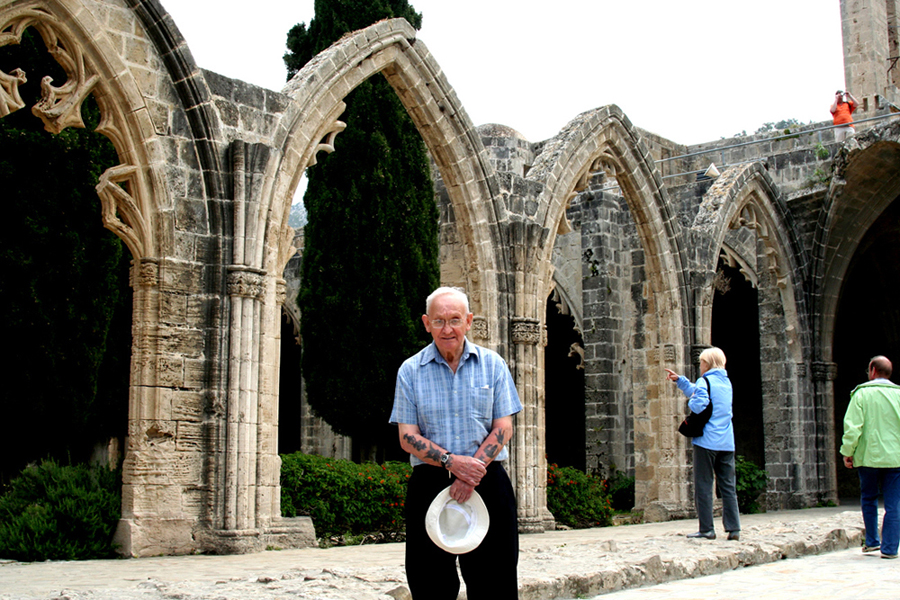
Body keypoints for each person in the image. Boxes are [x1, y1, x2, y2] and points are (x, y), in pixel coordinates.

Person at [390, 286, 522, 599]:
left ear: (469, 321)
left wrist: (471, 471)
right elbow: (407, 437)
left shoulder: (494, 365)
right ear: (426, 323)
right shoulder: (410, 371)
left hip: (487, 480)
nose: (447, 329)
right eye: (439, 321)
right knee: (430, 585)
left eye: (454, 319)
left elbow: (503, 428)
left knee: (496, 583)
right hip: (431, 482)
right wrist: (453, 463)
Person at [665, 347, 741, 541]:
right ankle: (734, 529)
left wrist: (691, 404)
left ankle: (707, 529)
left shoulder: (704, 380)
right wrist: (681, 381)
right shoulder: (726, 382)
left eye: (701, 362)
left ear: (707, 363)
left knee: (704, 485)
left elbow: (699, 404)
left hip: (707, 441)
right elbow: (704, 393)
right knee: (728, 486)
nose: (700, 366)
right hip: (726, 442)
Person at [840, 355, 900, 560]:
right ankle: (891, 548)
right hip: (895, 458)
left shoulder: (861, 394)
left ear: (872, 370)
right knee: (894, 503)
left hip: (868, 457)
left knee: (869, 498)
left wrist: (847, 451)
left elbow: (853, 427)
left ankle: (873, 541)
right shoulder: (899, 394)